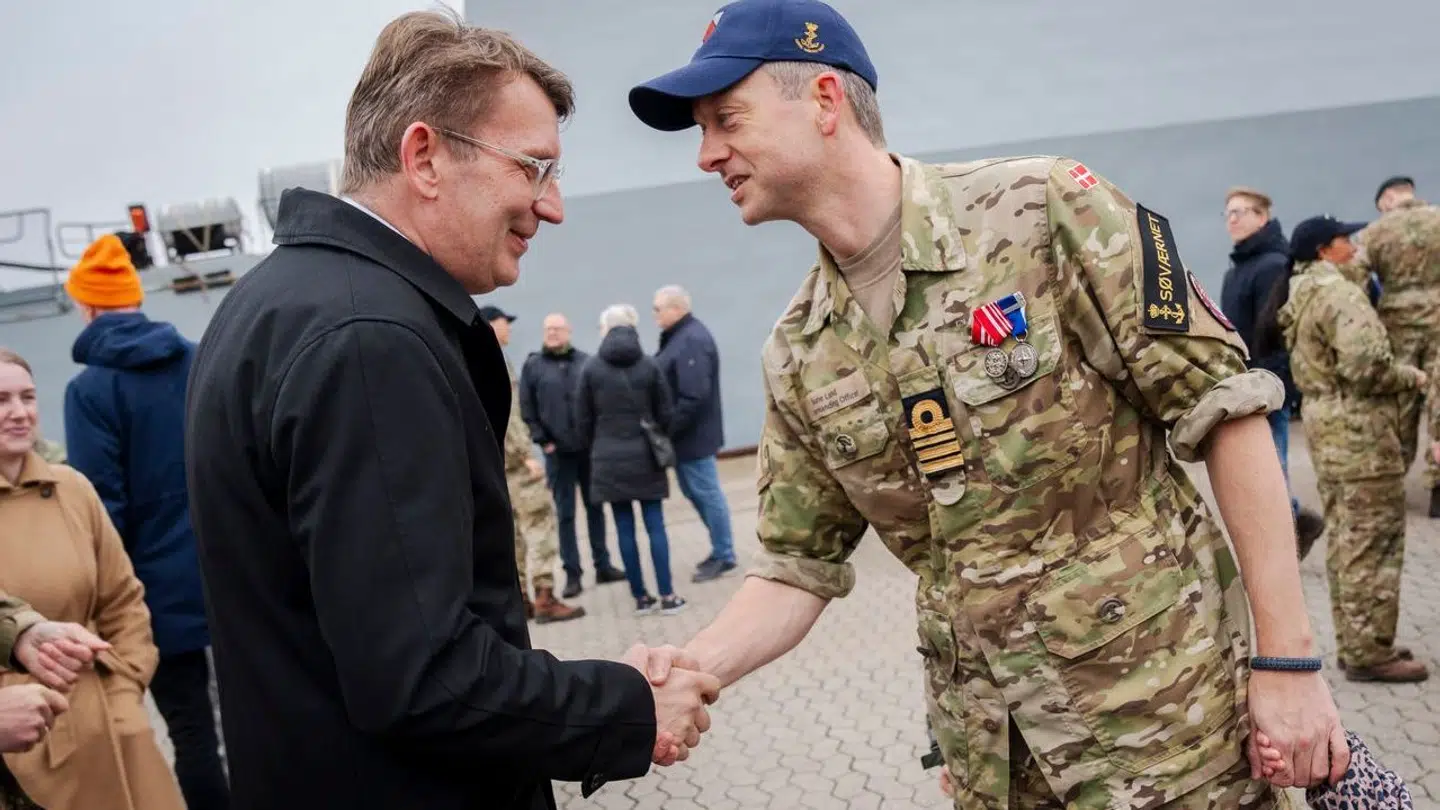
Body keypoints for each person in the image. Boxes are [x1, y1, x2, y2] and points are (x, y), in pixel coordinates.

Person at [625, 0, 1348, 805]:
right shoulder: (801, 350)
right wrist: (686, 673)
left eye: (725, 119)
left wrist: (1288, 664)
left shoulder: (1043, 211)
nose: (706, 155)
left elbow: (1228, 407)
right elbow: (800, 564)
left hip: (1171, 732)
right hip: (998, 766)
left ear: (825, 101)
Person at [183, 11, 719, 809]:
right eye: (535, 168)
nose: (554, 206)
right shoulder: (369, 341)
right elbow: (424, 675)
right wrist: (628, 706)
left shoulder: (275, 303)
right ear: (425, 157)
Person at [59, 232, 231, 810]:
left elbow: (102, 513)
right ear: (137, 297)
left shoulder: (89, 391)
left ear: (87, 306)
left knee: (193, 735)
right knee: (257, 721)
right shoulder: (199, 358)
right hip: (232, 578)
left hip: (154, 596)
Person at [0, 348, 185, 810]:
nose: (19, 413)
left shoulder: (73, 489)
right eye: (1, 400)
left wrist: (126, 692)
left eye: (28, 396)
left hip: (111, 722)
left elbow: (124, 599)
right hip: (24, 740)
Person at [1274, 216, 1428, 683]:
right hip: (1360, 430)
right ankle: (1368, 652)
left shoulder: (1303, 290)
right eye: (1347, 240)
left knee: (1348, 535)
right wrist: (1411, 376)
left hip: (1329, 428)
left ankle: (1360, 639)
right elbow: (1366, 366)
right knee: (1373, 539)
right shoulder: (1338, 294)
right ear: (1325, 250)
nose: (1356, 246)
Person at [1218, 188, 1324, 558]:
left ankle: (1284, 533)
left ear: (1262, 217)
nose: (1232, 219)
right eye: (1228, 213)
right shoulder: (1240, 267)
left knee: (1271, 464)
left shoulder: (1272, 265)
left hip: (1267, 386)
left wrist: (1270, 385)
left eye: (1241, 212)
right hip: (1245, 383)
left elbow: (1276, 333)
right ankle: (1294, 522)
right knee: (1262, 466)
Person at [575, 305, 687, 615]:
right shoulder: (649, 366)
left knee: (624, 528)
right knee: (655, 525)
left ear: (606, 329)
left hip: (608, 457)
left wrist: (596, 446)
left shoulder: (591, 368)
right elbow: (666, 412)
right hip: (645, 456)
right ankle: (668, 595)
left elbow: (581, 420)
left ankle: (640, 598)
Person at [482, 305, 586, 623]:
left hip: (496, 465)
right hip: (515, 463)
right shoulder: (494, 360)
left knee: (511, 532)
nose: (509, 328)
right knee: (540, 524)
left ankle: (521, 600)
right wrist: (525, 455)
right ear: (490, 325)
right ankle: (545, 597)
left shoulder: (477, 359)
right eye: (504, 323)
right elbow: (508, 417)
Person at [1343, 175, 1440, 517]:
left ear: (1387, 199)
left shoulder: (1375, 232)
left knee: (1401, 402)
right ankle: (1438, 486)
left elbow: (1353, 276)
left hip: (1398, 327)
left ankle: (1394, 480)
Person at [520, 312, 627, 597]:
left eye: (557, 328)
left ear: (569, 331)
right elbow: (527, 409)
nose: (552, 333)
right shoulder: (533, 366)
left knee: (595, 508)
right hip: (558, 454)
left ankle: (603, 565)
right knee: (565, 515)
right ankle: (572, 573)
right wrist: (543, 441)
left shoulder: (586, 362)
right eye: (547, 328)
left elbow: (598, 403)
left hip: (587, 451)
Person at [652, 285, 737, 582]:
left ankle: (725, 554)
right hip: (686, 437)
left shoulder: (690, 340)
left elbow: (693, 395)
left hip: (694, 437)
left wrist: (668, 428)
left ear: (676, 309)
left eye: (657, 309)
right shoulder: (679, 338)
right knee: (696, 492)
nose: (655, 315)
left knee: (707, 493)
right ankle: (720, 549)